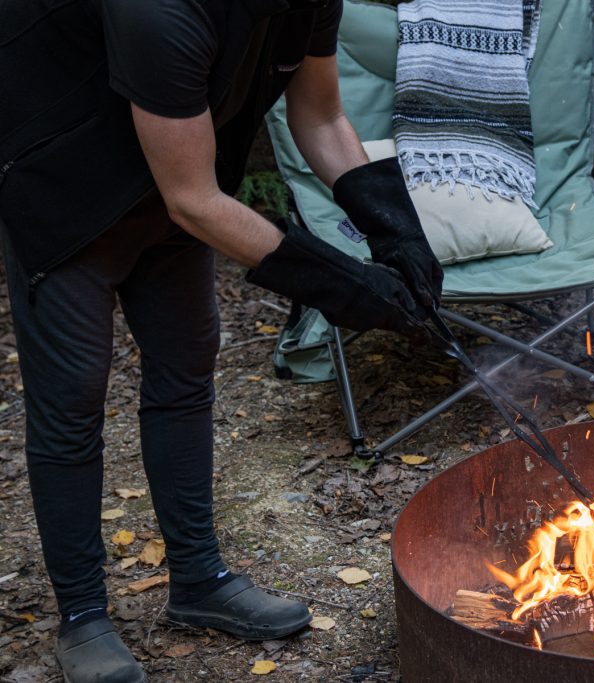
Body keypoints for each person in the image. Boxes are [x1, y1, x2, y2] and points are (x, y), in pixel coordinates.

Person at [0, 1, 443, 680]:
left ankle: (199, 578)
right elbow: (195, 199)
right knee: (75, 393)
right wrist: (342, 285)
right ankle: (83, 616)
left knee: (186, 364)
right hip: (65, 183)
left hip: (175, 171)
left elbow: (320, 117)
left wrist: (396, 231)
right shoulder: (162, 10)